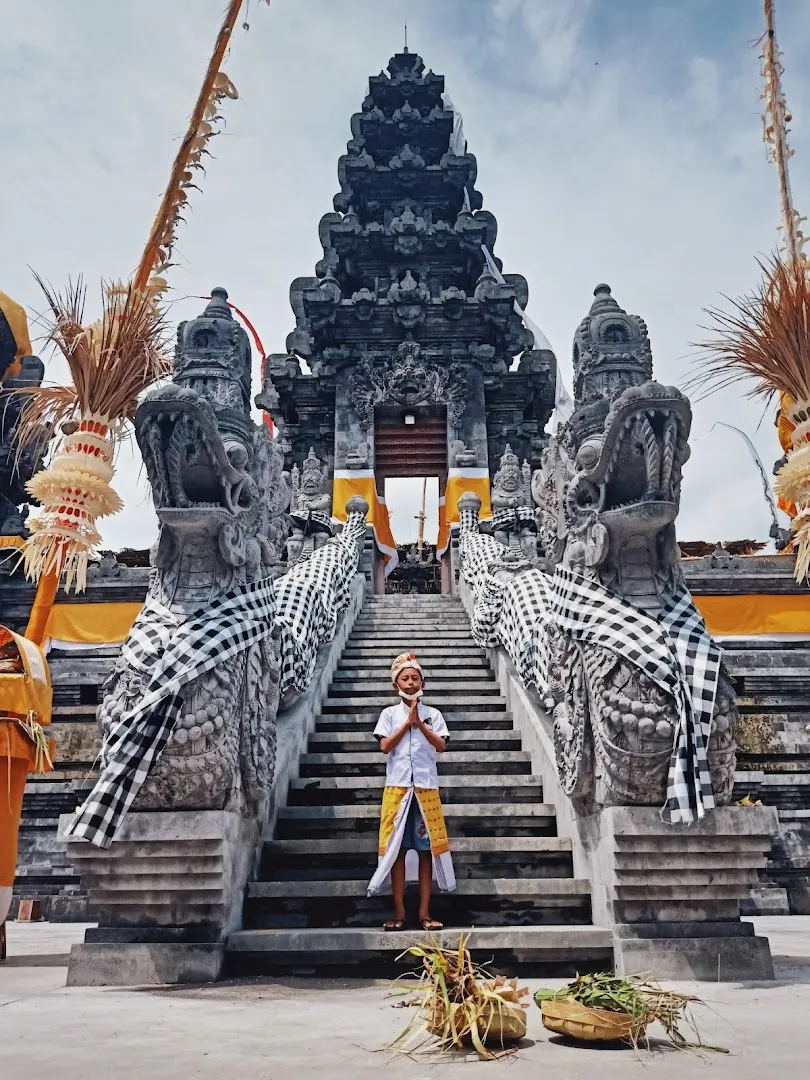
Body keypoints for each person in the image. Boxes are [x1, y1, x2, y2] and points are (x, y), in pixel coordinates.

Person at [368, 652, 456, 930]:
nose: (409, 683)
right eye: (404, 679)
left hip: (425, 790)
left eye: (414, 678)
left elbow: (441, 746)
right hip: (398, 789)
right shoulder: (389, 714)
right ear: (396, 685)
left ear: (422, 682)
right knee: (398, 850)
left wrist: (419, 722)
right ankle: (398, 912)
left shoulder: (434, 715)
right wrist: (407, 723)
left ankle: (425, 913)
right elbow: (384, 747)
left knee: (426, 851)